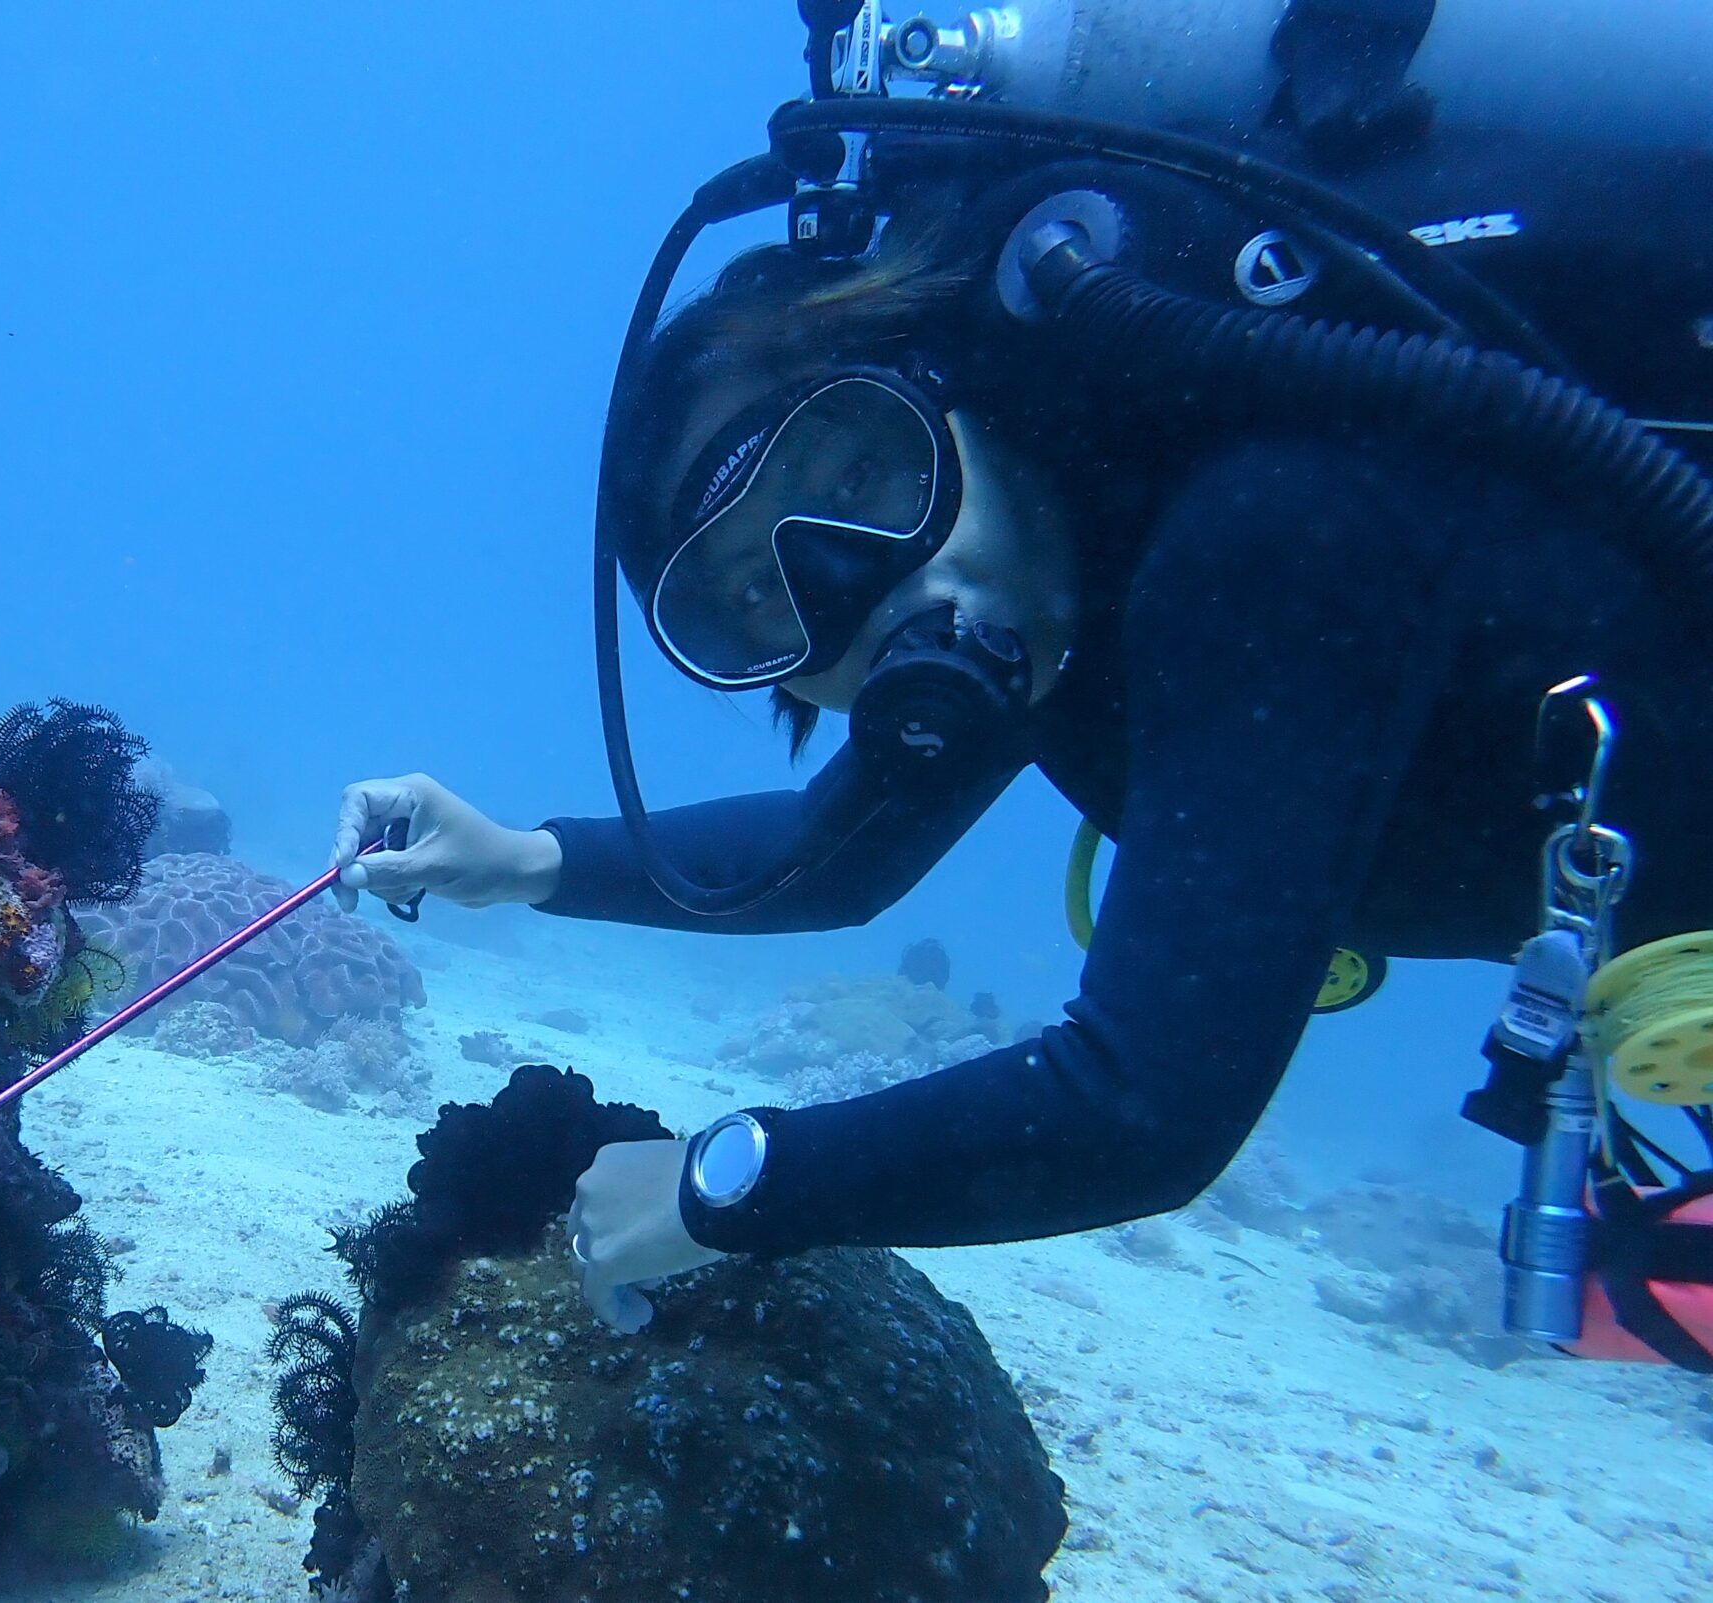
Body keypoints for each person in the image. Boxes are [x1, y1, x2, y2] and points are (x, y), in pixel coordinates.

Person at [323, 221, 1713, 1335]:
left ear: (954, 386)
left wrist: (720, 1184)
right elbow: (834, 856)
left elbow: (1140, 1111)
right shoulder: (1054, 583)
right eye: (754, 596)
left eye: (853, 467)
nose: (851, 580)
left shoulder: (1261, 535)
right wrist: (520, 859)